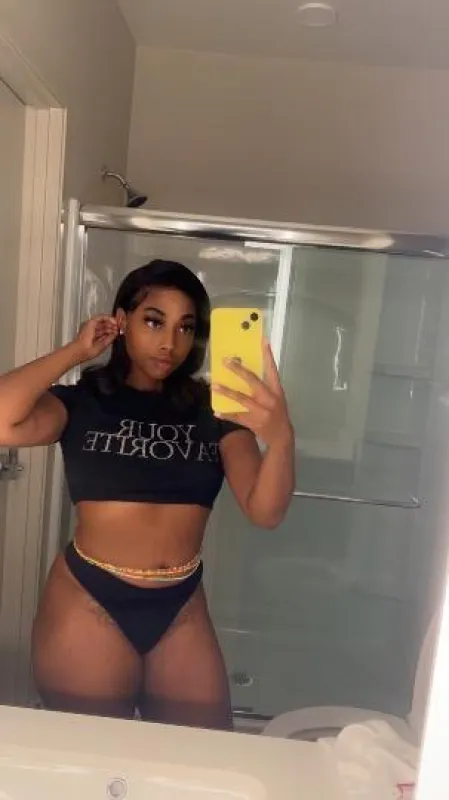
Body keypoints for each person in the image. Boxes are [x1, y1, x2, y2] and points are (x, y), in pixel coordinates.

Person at [0, 259, 294, 730]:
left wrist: (280, 439)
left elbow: (265, 512)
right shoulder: (85, 400)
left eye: (185, 327)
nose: (169, 342)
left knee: (201, 757)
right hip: (88, 598)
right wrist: (75, 351)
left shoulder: (215, 409)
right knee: (94, 758)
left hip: (181, 605)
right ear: (122, 321)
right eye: (154, 321)